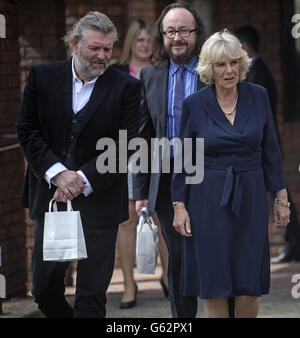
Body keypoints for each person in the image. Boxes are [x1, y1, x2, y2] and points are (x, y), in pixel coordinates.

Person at [16, 11, 141, 318]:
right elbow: (27, 129)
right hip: (51, 200)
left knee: (92, 295)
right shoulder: (42, 76)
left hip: (100, 202)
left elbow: (127, 145)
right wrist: (58, 175)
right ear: (74, 44)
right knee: (44, 289)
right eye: (94, 48)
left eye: (107, 49)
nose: (102, 56)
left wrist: (81, 179)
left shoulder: (126, 87)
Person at [171, 29, 290, 318]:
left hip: (250, 195)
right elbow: (185, 159)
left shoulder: (258, 96)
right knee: (215, 283)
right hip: (208, 199)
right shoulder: (194, 104)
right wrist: (179, 205)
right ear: (209, 69)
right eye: (221, 64)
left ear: (242, 63)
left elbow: (271, 149)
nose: (229, 70)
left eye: (234, 62)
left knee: (248, 282)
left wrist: (282, 197)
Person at [132, 2, 206, 318]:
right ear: (162, 35)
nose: (178, 37)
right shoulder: (150, 75)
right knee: (178, 257)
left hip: (211, 176)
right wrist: (139, 191)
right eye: (171, 31)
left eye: (184, 31)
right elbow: (141, 136)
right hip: (166, 182)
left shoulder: (214, 70)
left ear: (197, 33)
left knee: (215, 252)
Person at [112, 19, 169, 309]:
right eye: (140, 40)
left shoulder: (163, 71)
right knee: (126, 220)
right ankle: (128, 284)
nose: (145, 45)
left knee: (160, 215)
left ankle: (168, 276)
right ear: (131, 43)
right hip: (121, 151)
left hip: (157, 150)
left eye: (149, 40)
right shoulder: (117, 74)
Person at [234, 25, 300, 264]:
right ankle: (292, 244)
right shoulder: (256, 71)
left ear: (244, 47)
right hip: (260, 147)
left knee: (276, 195)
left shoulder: (257, 74)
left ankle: (293, 244)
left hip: (262, 147)